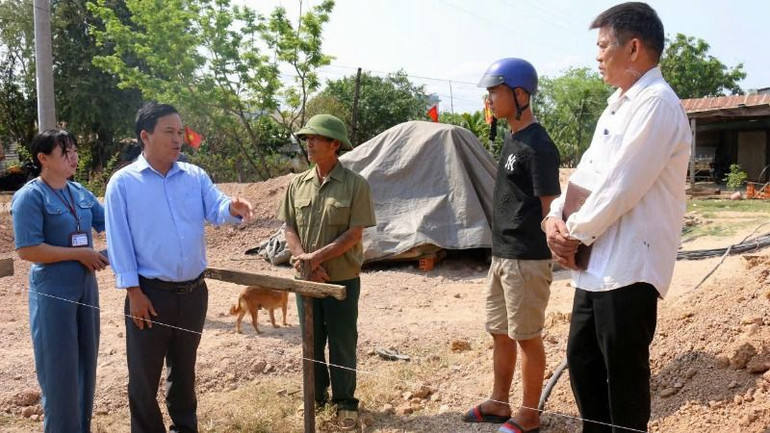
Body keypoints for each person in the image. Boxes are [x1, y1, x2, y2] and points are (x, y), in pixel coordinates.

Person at [543, 3, 691, 432]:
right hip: (594, 266)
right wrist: (554, 218)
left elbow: (621, 186)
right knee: (583, 362)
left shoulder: (658, 105)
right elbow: (586, 175)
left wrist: (573, 235)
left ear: (634, 48)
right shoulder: (617, 106)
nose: (598, 55)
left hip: (629, 266)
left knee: (623, 379)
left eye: (604, 45)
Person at [105, 102, 254, 433]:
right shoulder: (123, 183)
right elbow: (119, 241)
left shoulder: (194, 176)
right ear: (145, 136)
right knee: (144, 378)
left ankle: (185, 428)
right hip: (149, 295)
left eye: (180, 132)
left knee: (184, 371)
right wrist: (134, 292)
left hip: (192, 294)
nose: (178, 140)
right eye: (169, 132)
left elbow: (216, 208)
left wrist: (232, 207)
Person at [463, 58, 560, 433]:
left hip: (526, 259)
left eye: (494, 91)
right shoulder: (512, 138)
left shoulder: (540, 146)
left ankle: (529, 414)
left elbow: (551, 208)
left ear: (520, 94)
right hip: (502, 255)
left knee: (527, 337)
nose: (489, 99)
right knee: (500, 332)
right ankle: (499, 403)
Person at [277, 114, 375, 431]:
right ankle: (315, 399)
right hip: (306, 280)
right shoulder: (297, 184)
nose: (310, 144)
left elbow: (354, 234)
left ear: (335, 144)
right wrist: (305, 261)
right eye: (307, 139)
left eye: (316, 138)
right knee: (311, 342)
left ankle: (345, 403)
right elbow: (289, 226)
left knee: (342, 341)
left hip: (341, 281)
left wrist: (315, 259)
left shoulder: (356, 185)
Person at [11, 129, 109, 433]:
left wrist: (107, 253)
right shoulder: (31, 196)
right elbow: (27, 249)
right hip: (52, 291)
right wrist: (79, 254)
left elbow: (112, 224)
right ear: (43, 158)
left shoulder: (79, 192)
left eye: (75, 150)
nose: (74, 157)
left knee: (85, 368)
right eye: (65, 152)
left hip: (85, 287)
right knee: (58, 372)